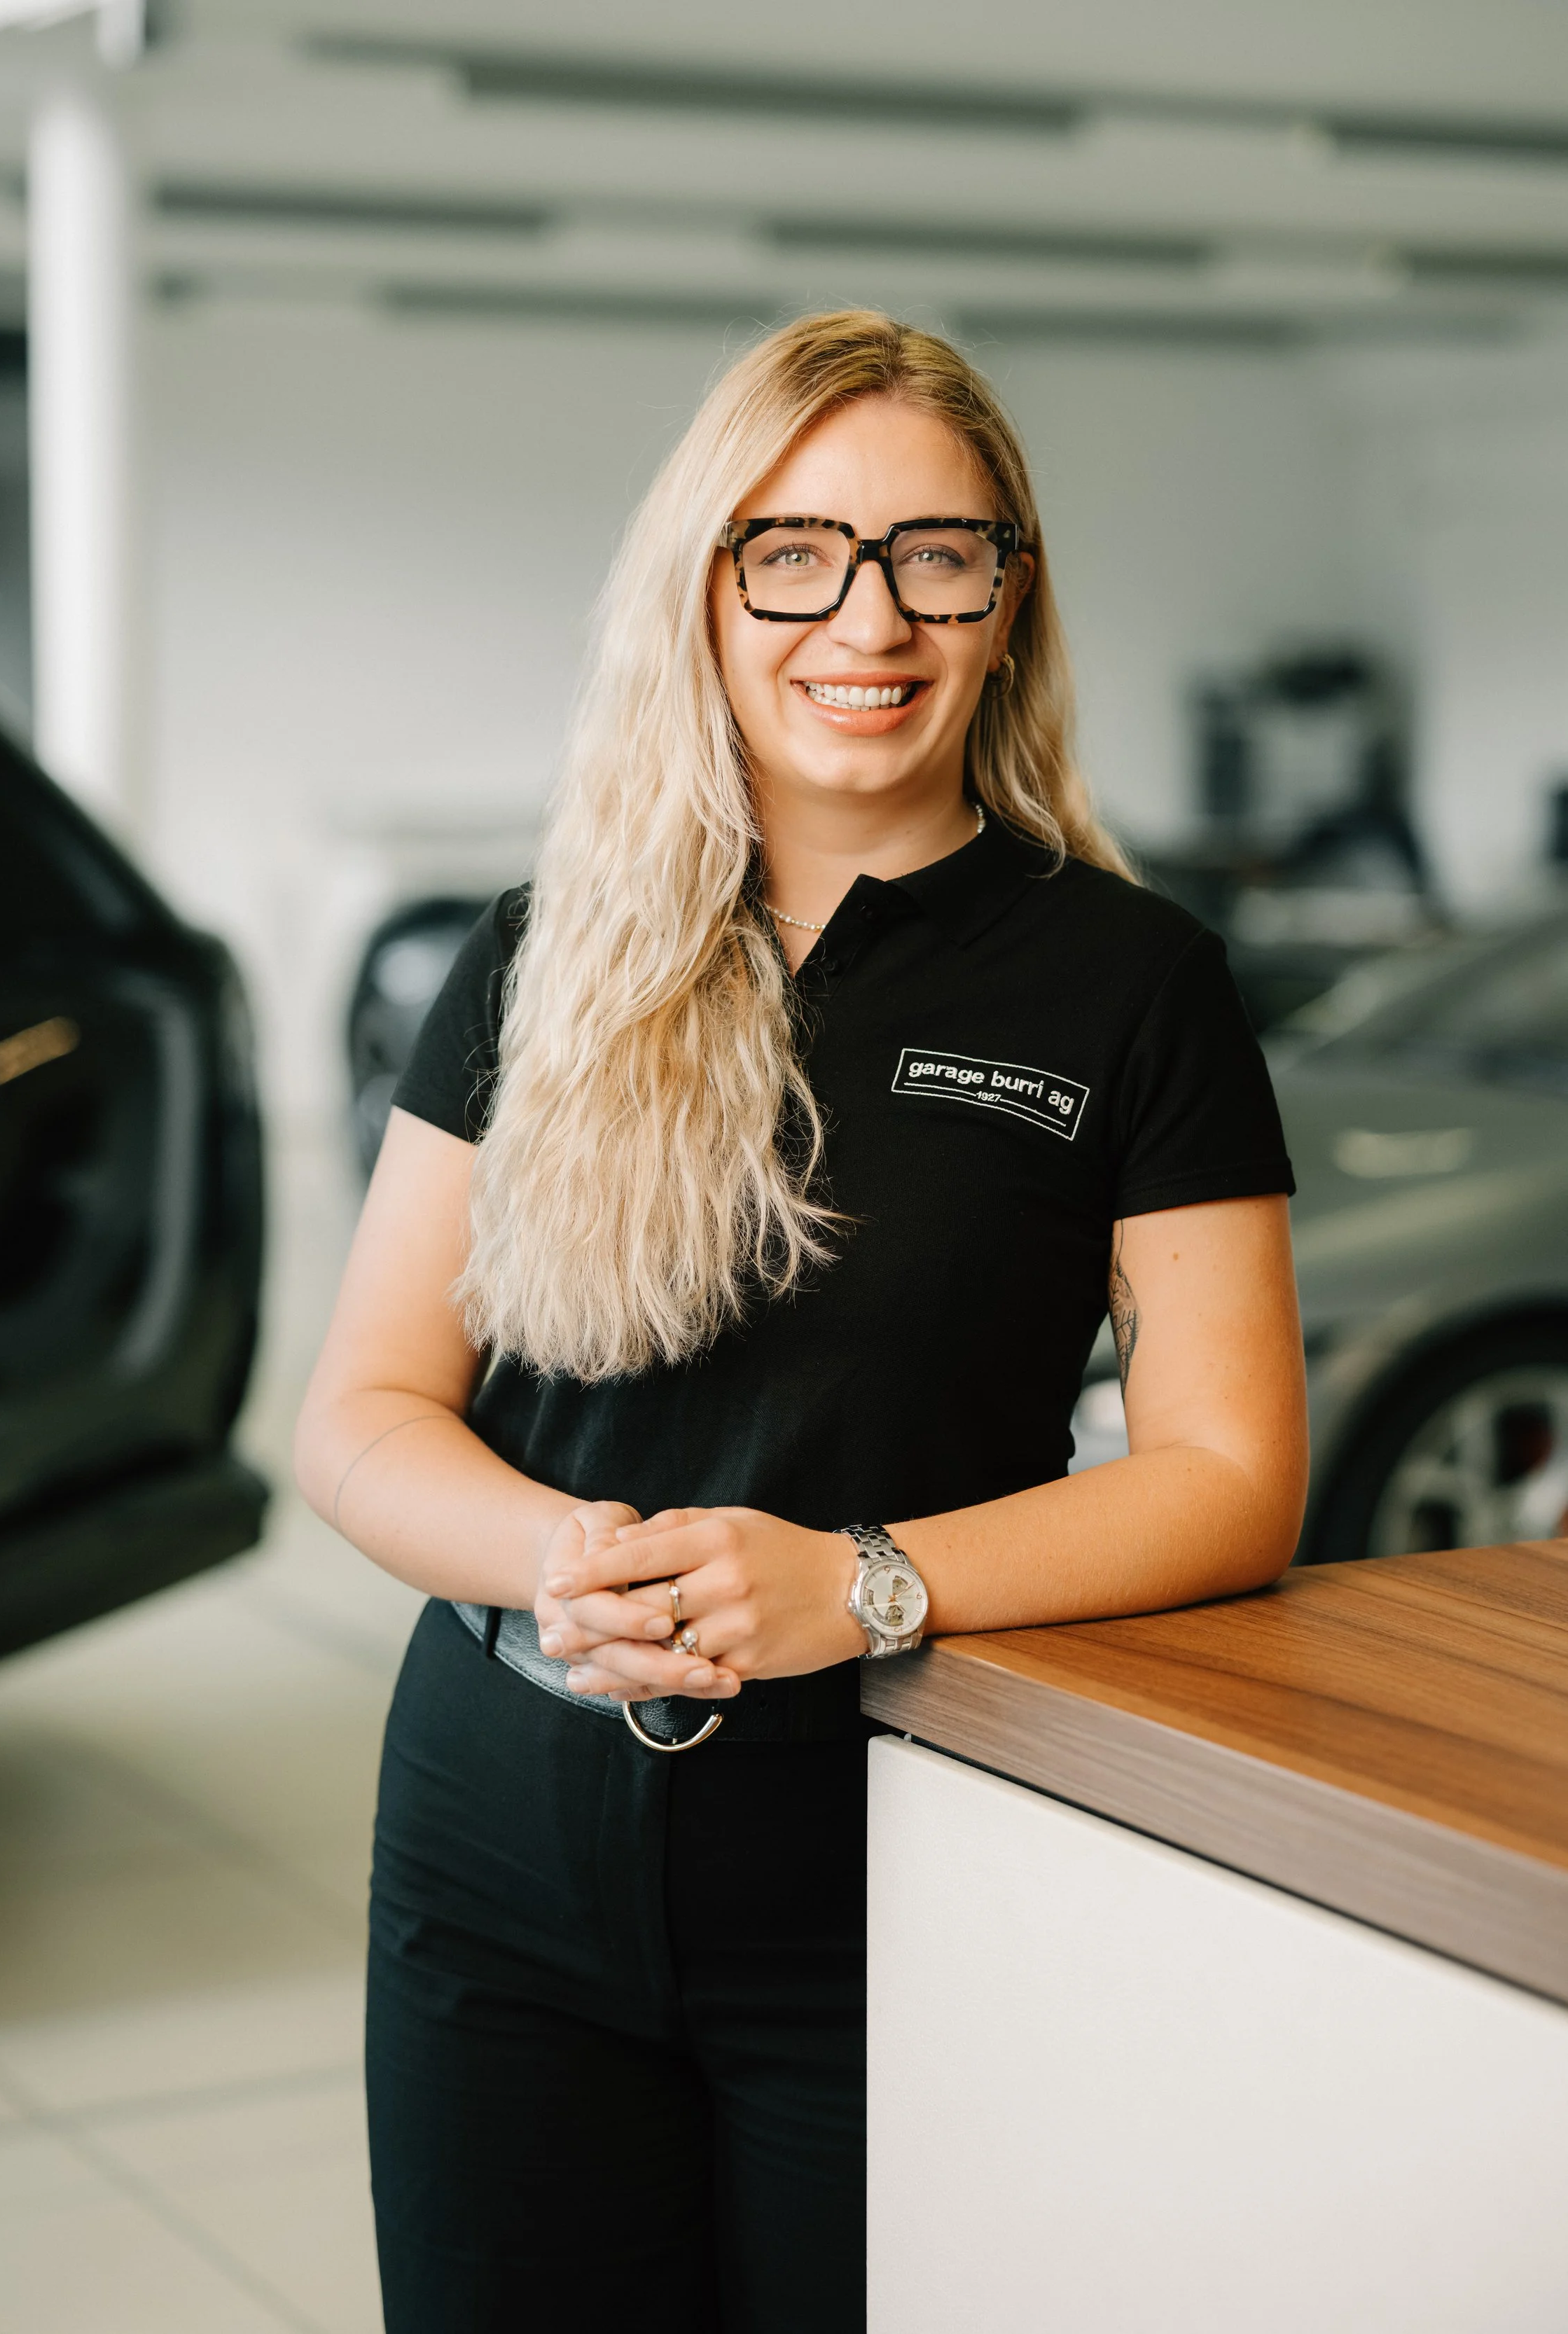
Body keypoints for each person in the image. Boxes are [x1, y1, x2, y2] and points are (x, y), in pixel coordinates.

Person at [295, 309, 1307, 2333]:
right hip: (501, 1828)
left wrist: (863, 1579)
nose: (869, 614)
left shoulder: (1126, 981)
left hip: (888, 1846)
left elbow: (1231, 1475)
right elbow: (366, 1410)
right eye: (798, 550)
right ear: (710, 579)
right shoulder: (540, 953)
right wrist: (565, 1557)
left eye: (938, 553)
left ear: (1007, 601)